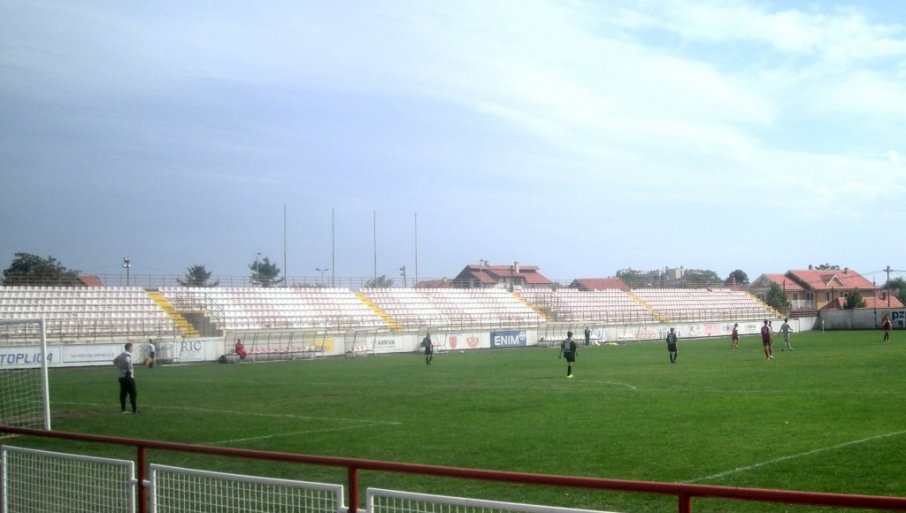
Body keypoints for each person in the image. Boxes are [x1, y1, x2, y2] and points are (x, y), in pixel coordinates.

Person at [113, 343, 137, 414]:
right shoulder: (128, 354)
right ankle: (134, 409)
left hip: (121, 377)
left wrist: (120, 366)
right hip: (128, 376)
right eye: (132, 348)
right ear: (129, 348)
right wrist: (127, 369)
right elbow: (127, 361)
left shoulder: (121, 354)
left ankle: (123, 409)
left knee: (123, 393)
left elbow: (114, 361)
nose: (132, 349)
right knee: (133, 393)